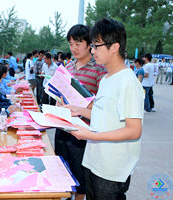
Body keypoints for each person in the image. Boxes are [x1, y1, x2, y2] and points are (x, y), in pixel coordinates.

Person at [66, 18, 144, 200]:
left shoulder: (127, 81)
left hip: (111, 170)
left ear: (114, 47)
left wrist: (90, 135)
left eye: (96, 46)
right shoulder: (107, 79)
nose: (92, 51)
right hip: (94, 162)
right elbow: (104, 116)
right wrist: (78, 110)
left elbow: (134, 130)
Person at [55, 24, 107, 200]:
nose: (74, 48)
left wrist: (80, 108)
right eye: (71, 44)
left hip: (82, 131)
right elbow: (59, 95)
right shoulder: (67, 67)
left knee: (81, 178)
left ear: (89, 44)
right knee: (63, 172)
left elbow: (102, 105)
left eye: (78, 43)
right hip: (62, 128)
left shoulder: (99, 70)